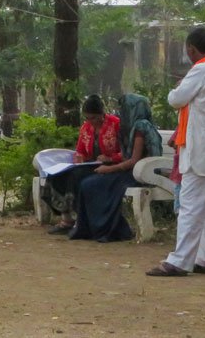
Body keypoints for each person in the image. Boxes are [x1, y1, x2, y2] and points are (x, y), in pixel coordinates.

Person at [147, 26, 205, 278]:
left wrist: (181, 85)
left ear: (191, 49)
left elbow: (175, 98)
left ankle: (180, 260)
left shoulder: (201, 70)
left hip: (200, 149)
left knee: (191, 208)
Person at [70, 93, 162, 242]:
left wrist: (109, 169)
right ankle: (94, 228)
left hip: (138, 173)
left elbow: (133, 160)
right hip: (127, 170)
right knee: (88, 182)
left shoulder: (141, 127)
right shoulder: (131, 127)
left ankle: (111, 230)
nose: (122, 112)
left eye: (125, 108)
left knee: (91, 184)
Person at [47, 95, 121, 234]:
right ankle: (66, 218)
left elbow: (126, 151)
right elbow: (80, 150)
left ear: (101, 114)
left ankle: (81, 220)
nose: (90, 121)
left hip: (110, 166)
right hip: (88, 164)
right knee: (57, 175)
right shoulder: (85, 128)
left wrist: (110, 158)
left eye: (93, 118)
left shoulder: (116, 124)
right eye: (87, 118)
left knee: (75, 177)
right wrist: (79, 157)